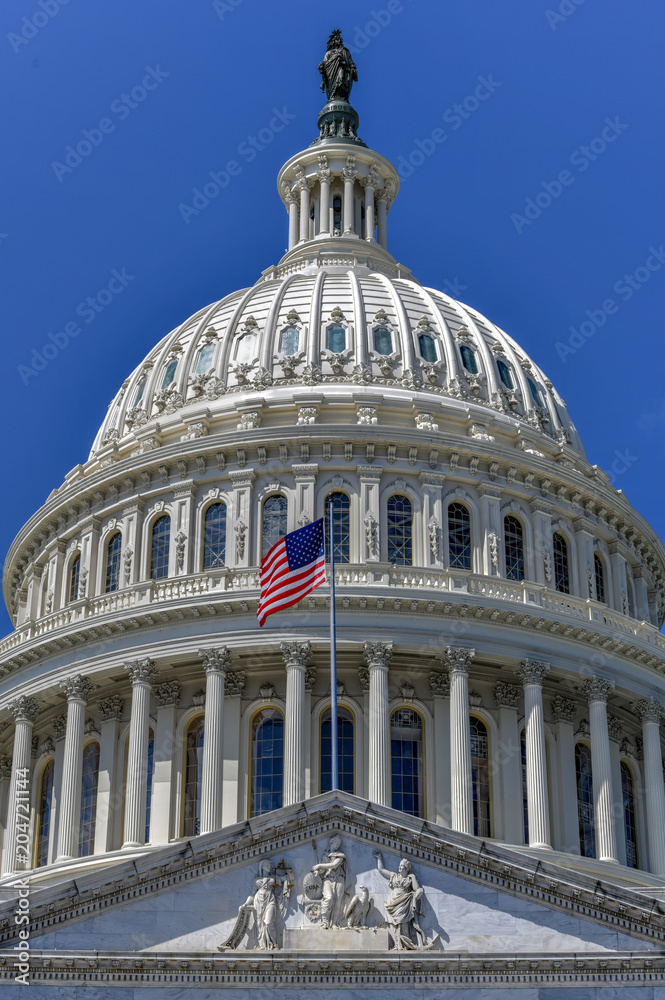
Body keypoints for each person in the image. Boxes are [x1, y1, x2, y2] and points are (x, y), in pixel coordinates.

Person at [372, 850, 426, 950]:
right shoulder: (394, 876)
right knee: (392, 924)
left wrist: (418, 890)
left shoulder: (410, 878)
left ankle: (405, 944)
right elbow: (381, 870)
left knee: (403, 923)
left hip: (404, 903)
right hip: (392, 902)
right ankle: (396, 944)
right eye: (399, 865)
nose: (399, 867)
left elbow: (416, 889)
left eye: (401, 866)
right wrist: (379, 858)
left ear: (406, 868)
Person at [311, 835, 348, 928]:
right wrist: (318, 871)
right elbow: (323, 871)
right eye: (336, 843)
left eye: (339, 844)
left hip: (339, 879)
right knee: (328, 898)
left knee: (337, 901)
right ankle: (325, 922)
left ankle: (334, 923)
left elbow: (334, 865)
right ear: (331, 843)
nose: (338, 845)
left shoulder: (340, 855)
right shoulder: (324, 855)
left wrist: (320, 865)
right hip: (328, 879)